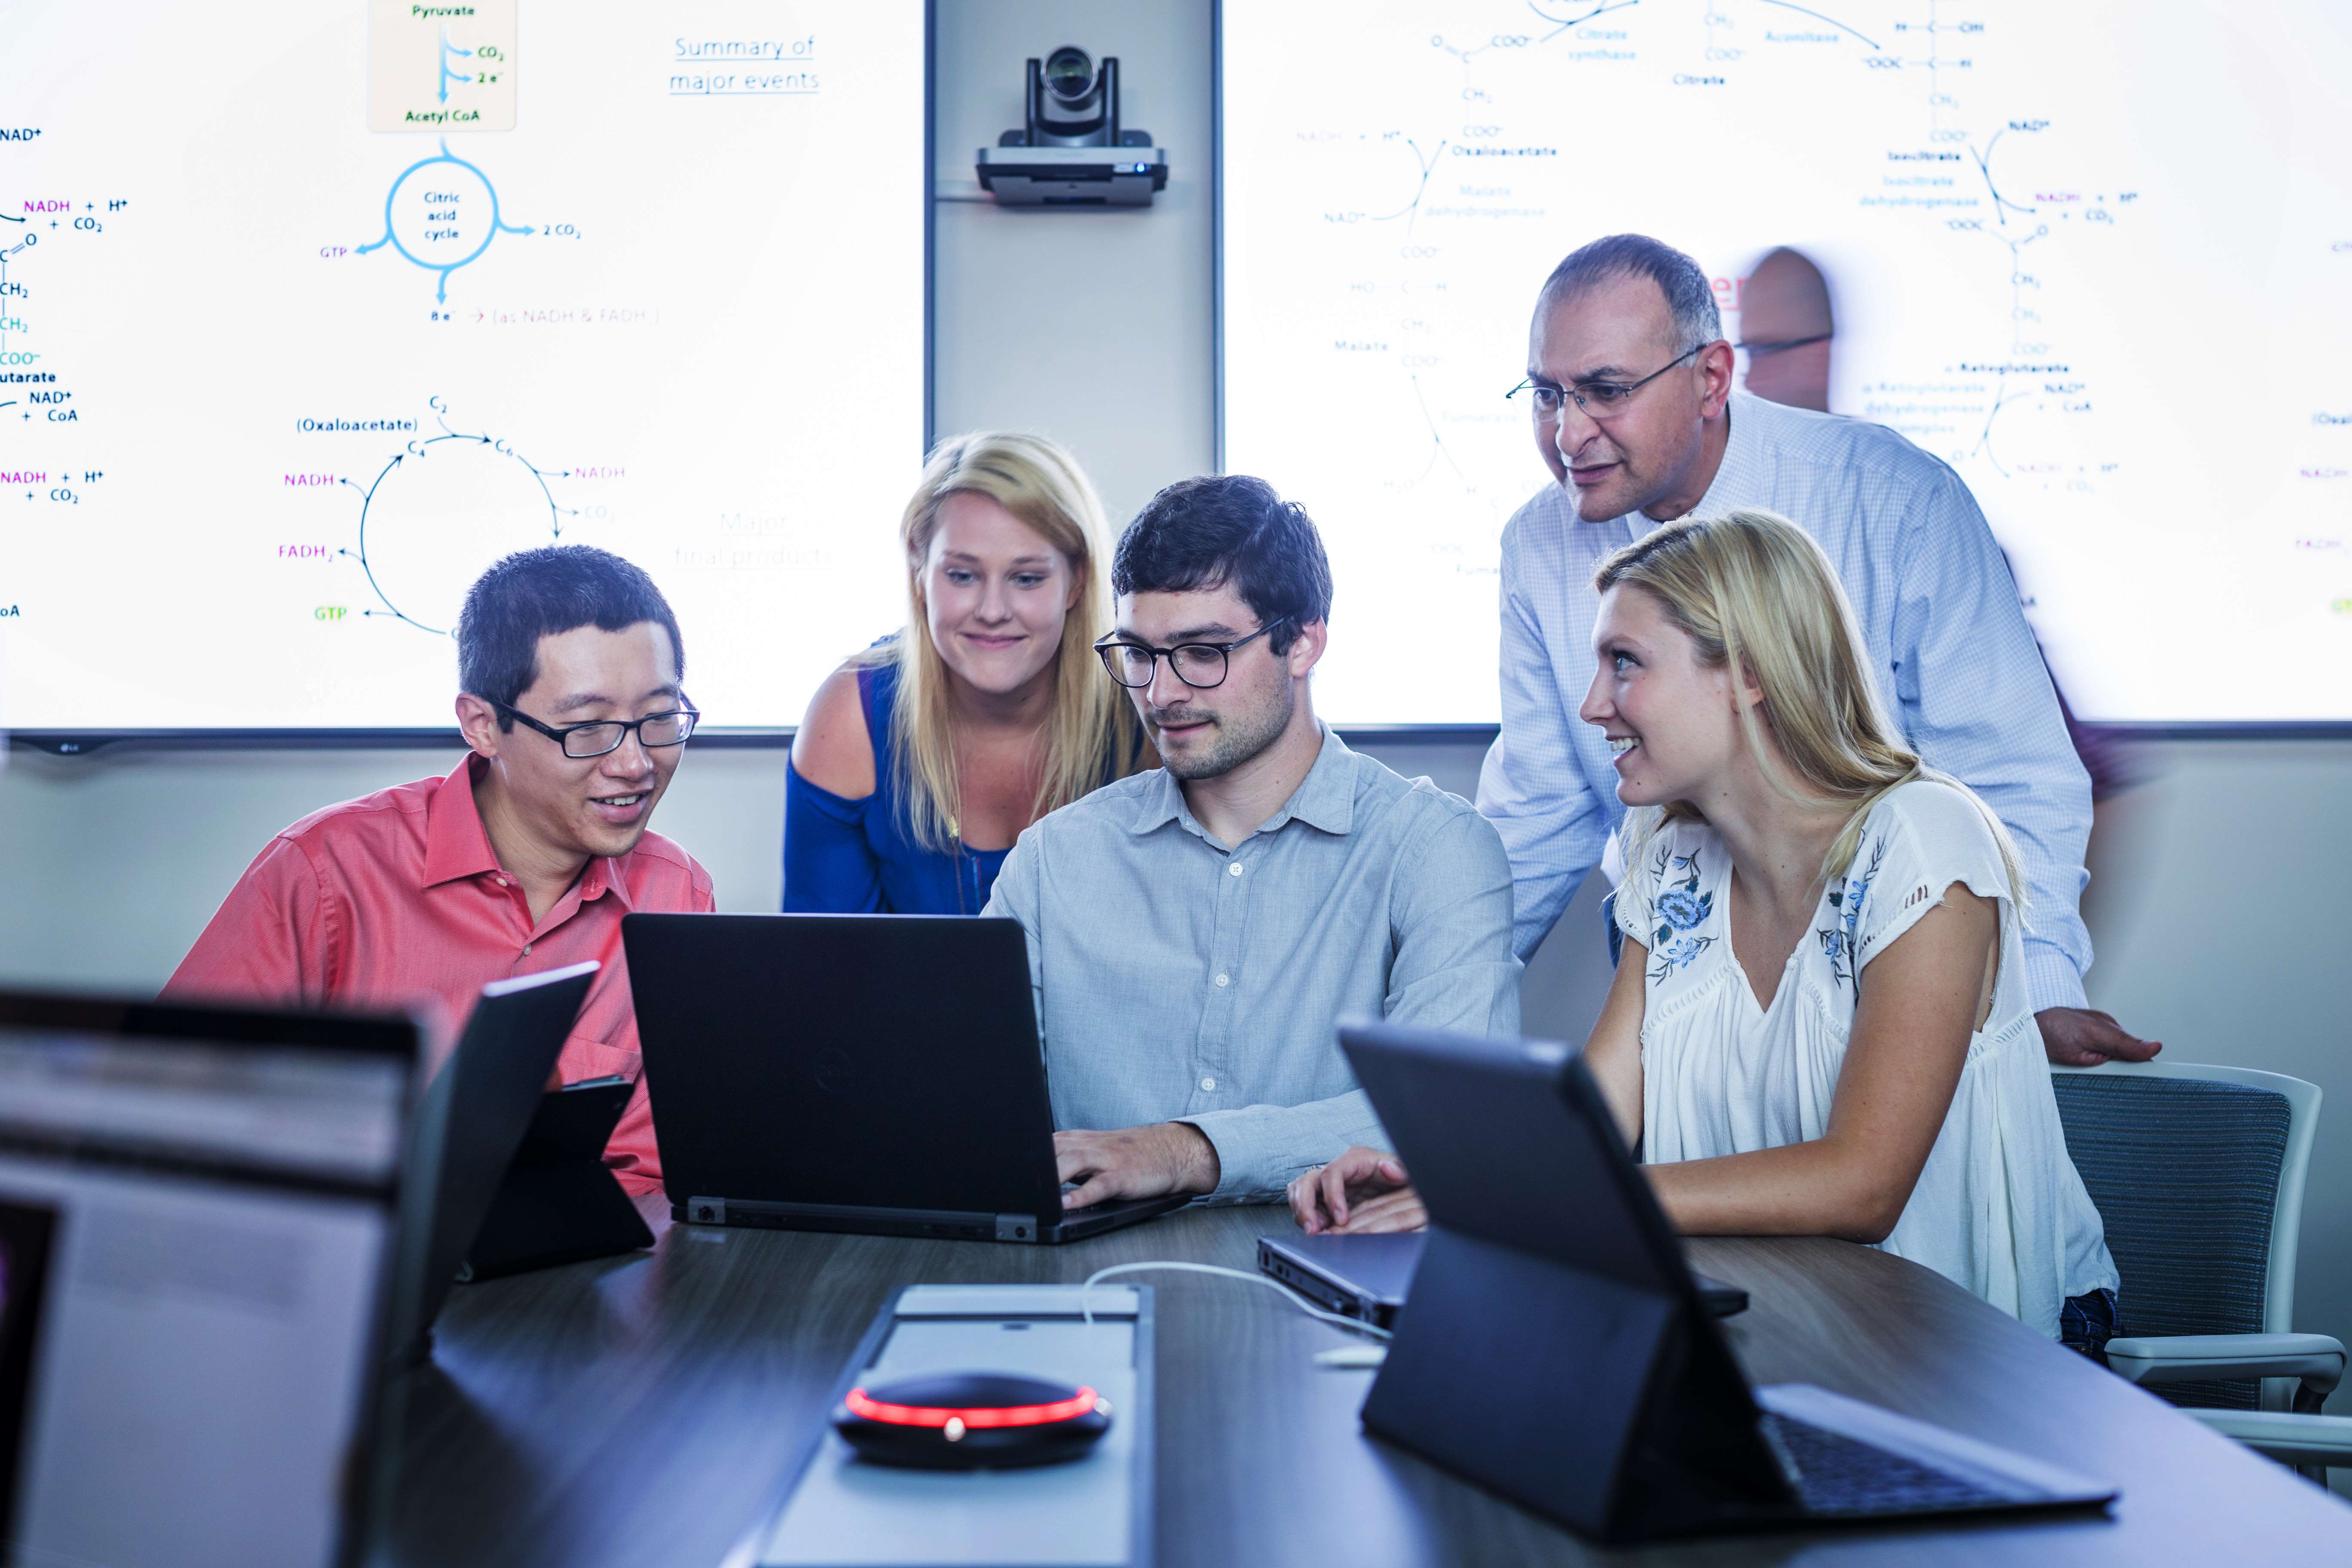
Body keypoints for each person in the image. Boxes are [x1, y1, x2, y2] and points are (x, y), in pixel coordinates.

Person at [1296, 511, 2119, 1352]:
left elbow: (1863, 1185)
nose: (1592, 706)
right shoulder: (1668, 853)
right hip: (1791, 1319)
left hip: (1978, 1349)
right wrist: (1445, 1179)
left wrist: (1527, 1197)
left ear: (1751, 674)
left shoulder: (1922, 839)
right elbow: (1594, 1127)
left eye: (1625, 664)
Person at [1480, 232, 2157, 1069]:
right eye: (1546, 394)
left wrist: (2037, 988)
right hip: (1681, 1005)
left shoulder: (1895, 499)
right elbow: (1538, 816)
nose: (1568, 431)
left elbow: (2014, 779)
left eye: (1605, 392)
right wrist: (1419, 1008)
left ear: (1713, 379)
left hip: (1885, 983)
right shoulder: (1536, 547)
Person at [981, 475, 1520, 1210]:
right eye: (1138, 653)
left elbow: (1463, 1110)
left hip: (1337, 1275)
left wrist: (1187, 1150)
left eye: (1202, 651)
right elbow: (965, 1107)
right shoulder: (1052, 862)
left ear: (1302, 642)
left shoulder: (1435, 851)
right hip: (1085, 1282)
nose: (1161, 693)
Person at [164, 545, 714, 1195]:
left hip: (568, 1280)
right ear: (483, 726)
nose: (635, 765)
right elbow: (167, 1117)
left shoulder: (676, 890)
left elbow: (654, 1173)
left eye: (659, 718)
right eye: (588, 728)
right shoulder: (325, 872)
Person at [786, 432, 1145, 914]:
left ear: (1076, 581)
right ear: (920, 572)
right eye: (962, 575)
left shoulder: (1143, 700)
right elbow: (819, 969)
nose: (993, 611)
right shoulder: (850, 716)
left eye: (1026, 578)